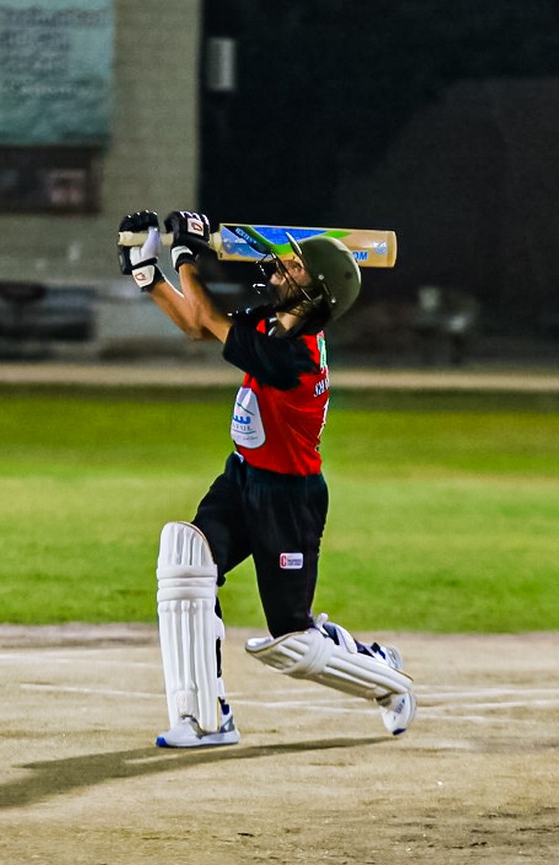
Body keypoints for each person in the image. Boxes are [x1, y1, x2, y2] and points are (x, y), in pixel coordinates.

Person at [116, 210, 416, 748]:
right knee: (186, 560)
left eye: (295, 266)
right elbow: (197, 324)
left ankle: (385, 677)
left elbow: (209, 316)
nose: (281, 265)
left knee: (292, 640)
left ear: (315, 294)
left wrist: (185, 256)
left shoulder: (293, 355)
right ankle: (204, 720)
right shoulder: (274, 323)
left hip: (288, 499)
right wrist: (147, 273)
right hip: (243, 478)